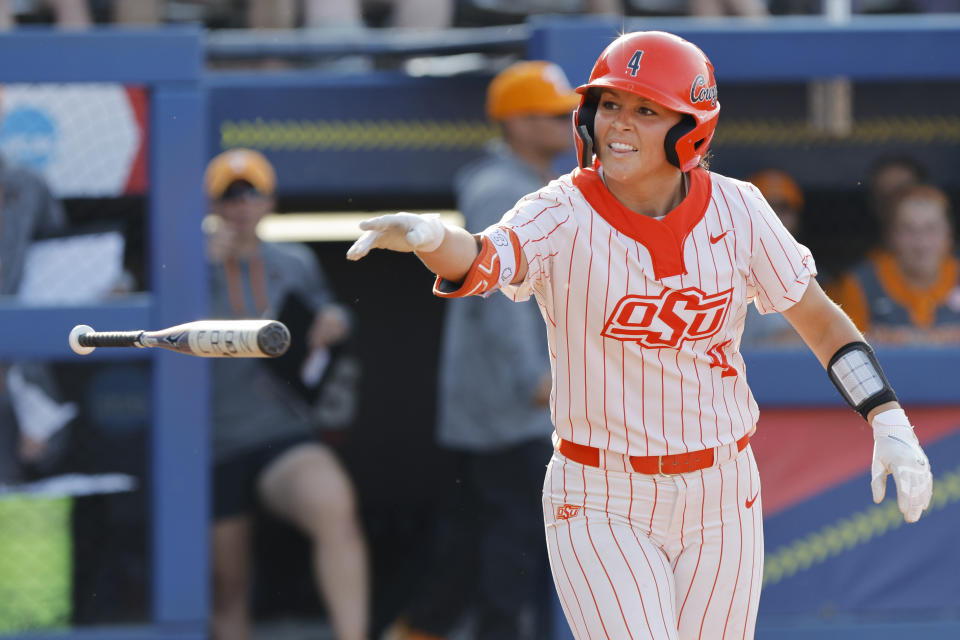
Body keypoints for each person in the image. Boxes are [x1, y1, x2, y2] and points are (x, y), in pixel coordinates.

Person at [345, 31, 934, 639]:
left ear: (690, 129)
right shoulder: (559, 210)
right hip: (602, 494)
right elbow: (483, 260)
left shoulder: (741, 209)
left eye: (646, 110)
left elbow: (820, 320)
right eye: (609, 104)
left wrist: (887, 418)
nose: (618, 124)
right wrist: (434, 239)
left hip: (723, 492)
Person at [385, 60, 578, 640]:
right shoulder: (501, 187)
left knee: (472, 535)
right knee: (510, 540)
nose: (567, 122)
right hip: (507, 406)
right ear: (516, 123)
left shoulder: (532, 185)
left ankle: (417, 630)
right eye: (551, 113)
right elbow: (500, 295)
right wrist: (534, 377)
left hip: (501, 405)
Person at [203, 149, 370, 640]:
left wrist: (336, 321)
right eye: (228, 196)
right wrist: (199, 267)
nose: (241, 206)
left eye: (251, 193)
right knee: (228, 584)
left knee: (335, 505)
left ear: (270, 202)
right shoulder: (189, 261)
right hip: (211, 442)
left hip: (280, 429)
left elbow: (328, 311)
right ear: (212, 206)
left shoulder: (291, 260)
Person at [826, 183, 960, 344]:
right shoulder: (859, 284)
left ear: (949, 236)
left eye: (931, 229)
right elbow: (843, 349)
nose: (921, 244)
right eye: (908, 230)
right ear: (891, 237)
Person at [739, 168, 806, 348]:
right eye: (766, 209)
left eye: (782, 209)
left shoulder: (811, 272)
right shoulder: (722, 268)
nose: (774, 218)